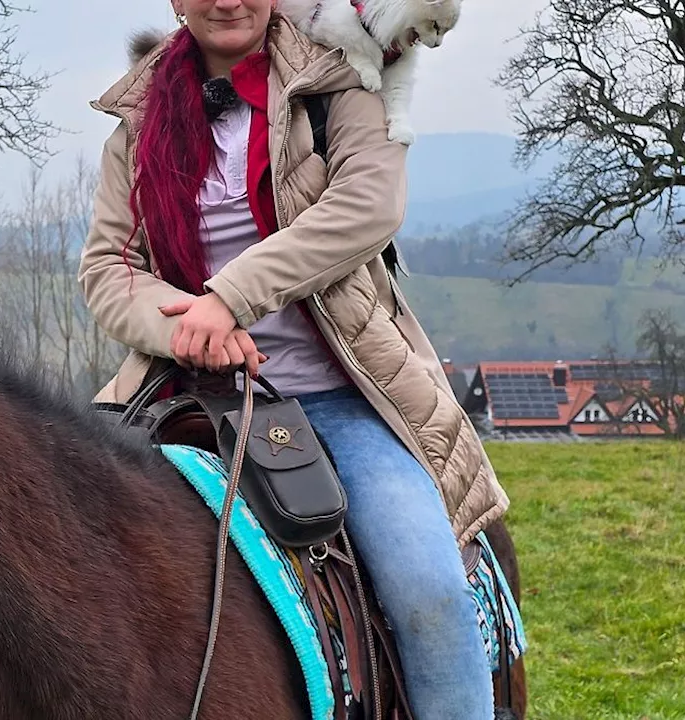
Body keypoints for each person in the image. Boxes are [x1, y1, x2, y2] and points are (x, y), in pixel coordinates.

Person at [76, 1, 511, 717]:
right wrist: (186, 327)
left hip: (339, 397)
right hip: (181, 394)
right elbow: (108, 269)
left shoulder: (340, 79)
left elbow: (368, 205)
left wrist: (229, 297)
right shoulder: (136, 120)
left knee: (430, 596)